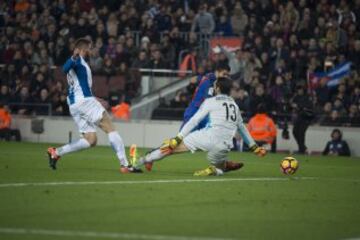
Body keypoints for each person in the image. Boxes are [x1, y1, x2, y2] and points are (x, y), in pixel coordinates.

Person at [130, 77, 266, 176]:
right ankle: (217, 169)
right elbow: (242, 128)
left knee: (170, 147)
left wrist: (178, 137)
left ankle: (140, 161)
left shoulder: (210, 101)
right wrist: (254, 147)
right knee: (218, 162)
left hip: (207, 137)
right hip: (225, 144)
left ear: (217, 88)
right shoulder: (234, 105)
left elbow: (194, 120)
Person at [47, 38, 140, 173]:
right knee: (110, 127)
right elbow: (65, 69)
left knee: (91, 140)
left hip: (75, 104)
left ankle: (56, 152)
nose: (93, 51)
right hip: (83, 102)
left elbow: (80, 86)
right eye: (90, 48)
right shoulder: (77, 60)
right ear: (84, 49)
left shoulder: (81, 64)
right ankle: (125, 164)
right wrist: (73, 56)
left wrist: (95, 99)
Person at [181, 65, 230, 131]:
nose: (226, 77)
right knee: (183, 138)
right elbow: (208, 99)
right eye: (224, 74)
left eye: (227, 75)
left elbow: (192, 79)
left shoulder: (207, 78)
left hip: (203, 113)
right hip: (195, 112)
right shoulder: (212, 82)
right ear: (217, 72)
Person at [291, 86, 314, 154]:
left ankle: (301, 149)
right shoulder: (296, 97)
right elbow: (292, 104)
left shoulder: (307, 97)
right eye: (298, 90)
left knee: (301, 133)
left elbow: (307, 106)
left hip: (306, 117)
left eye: (301, 89)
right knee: (295, 132)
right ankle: (302, 147)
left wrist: (297, 106)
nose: (300, 91)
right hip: (299, 116)